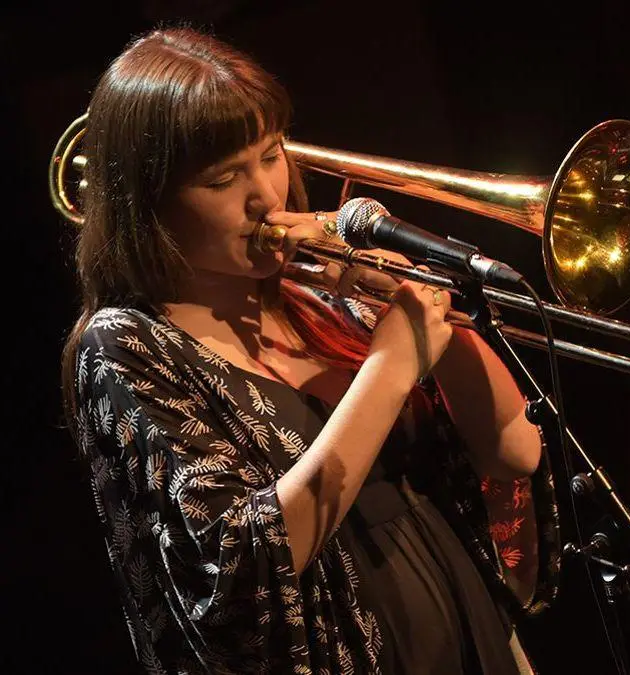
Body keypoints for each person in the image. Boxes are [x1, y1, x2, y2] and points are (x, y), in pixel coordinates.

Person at [60, 24, 560, 674]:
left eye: (271, 154)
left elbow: (515, 449)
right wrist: (390, 365)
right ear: (150, 201)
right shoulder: (126, 345)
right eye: (222, 178)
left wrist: (417, 303)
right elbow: (236, 575)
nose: (265, 194)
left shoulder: (324, 290)